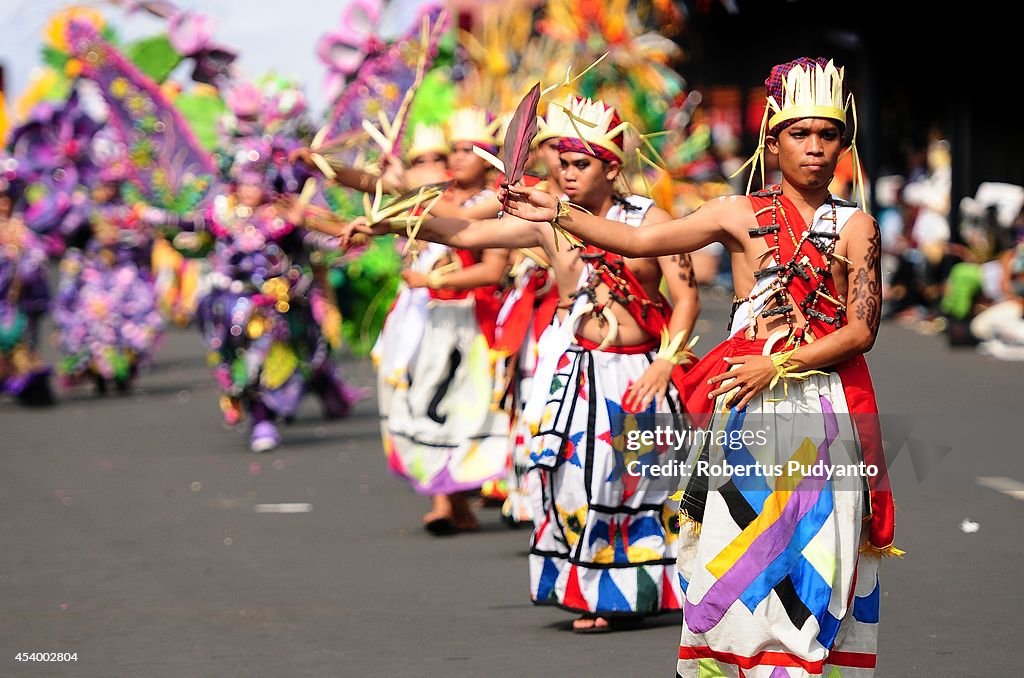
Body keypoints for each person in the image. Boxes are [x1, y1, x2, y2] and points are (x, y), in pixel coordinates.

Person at [498, 58, 897, 674]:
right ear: (772, 140)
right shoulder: (736, 214)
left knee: (815, 553)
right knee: (728, 552)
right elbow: (638, 243)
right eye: (800, 134)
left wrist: (779, 364)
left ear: (844, 144)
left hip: (819, 410)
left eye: (827, 135)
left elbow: (860, 330)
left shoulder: (857, 226)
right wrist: (554, 213)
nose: (815, 148)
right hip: (743, 405)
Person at [334, 95, 700, 631]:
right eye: (562, 161)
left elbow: (686, 297)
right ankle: (593, 591)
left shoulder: (651, 221)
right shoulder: (548, 226)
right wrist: (386, 224)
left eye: (581, 164)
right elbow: (462, 231)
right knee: (571, 481)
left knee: (639, 484)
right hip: (579, 372)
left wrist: (667, 361)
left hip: (641, 370)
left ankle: (647, 587)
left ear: (611, 166)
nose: (567, 174)